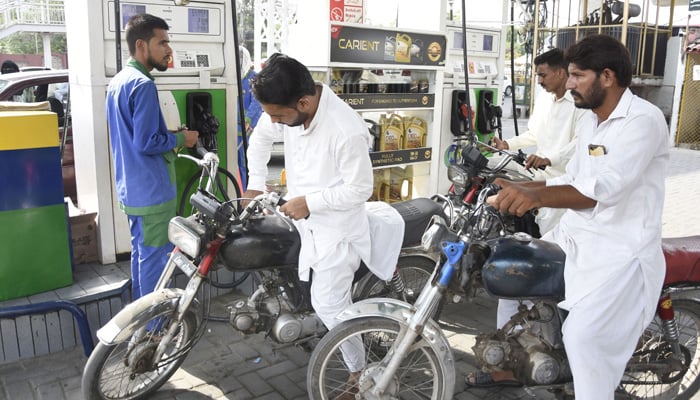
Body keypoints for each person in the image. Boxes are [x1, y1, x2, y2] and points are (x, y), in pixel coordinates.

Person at [487, 34, 669, 400]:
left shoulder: (642, 121)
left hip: (620, 253)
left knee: (582, 339)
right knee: (514, 281)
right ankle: (516, 363)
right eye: (568, 75)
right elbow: (574, 178)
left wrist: (534, 198)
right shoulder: (591, 120)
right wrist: (525, 187)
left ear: (607, 76)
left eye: (577, 76)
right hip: (577, 238)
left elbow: (602, 190)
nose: (568, 84)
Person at [244, 53, 402, 399]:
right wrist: (255, 183)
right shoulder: (290, 110)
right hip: (302, 220)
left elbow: (360, 188)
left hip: (337, 230)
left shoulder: (345, 129)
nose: (273, 122)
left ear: (303, 102)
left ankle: (360, 376)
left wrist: (309, 202)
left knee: (329, 304)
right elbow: (258, 139)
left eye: (279, 116)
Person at [105, 13, 199, 300]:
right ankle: (152, 329)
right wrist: (183, 138)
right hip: (152, 192)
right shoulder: (144, 85)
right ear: (142, 46)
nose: (169, 50)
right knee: (155, 260)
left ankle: (140, 322)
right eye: (163, 43)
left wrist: (167, 133)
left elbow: (134, 135)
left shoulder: (120, 81)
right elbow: (147, 142)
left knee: (141, 255)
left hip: (132, 189)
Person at [236, 45, 262, 190]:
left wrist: (248, 120)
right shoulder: (233, 79)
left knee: (249, 164)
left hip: (249, 131)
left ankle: (249, 195)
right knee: (237, 165)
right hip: (235, 131)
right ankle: (239, 193)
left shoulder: (254, 78)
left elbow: (257, 103)